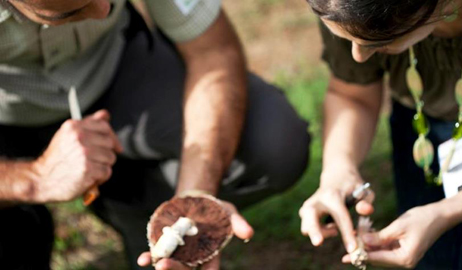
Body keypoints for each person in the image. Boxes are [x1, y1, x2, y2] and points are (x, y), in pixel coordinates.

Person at [0, 0, 311, 269]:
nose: (105, 9)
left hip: (113, 66)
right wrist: (32, 180)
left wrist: (194, 198)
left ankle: (136, 211)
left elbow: (212, 52)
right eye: (69, 11)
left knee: (272, 141)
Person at [298, 0, 462, 269]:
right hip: (422, 132)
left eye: (375, 43)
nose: (358, 55)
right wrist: (339, 168)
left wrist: (454, 207)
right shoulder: (342, 3)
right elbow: (352, 93)